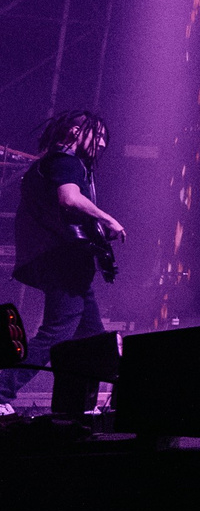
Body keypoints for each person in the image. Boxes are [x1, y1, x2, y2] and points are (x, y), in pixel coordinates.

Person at [2, 110, 126, 419]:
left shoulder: (50, 163)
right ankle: (1, 389)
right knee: (56, 333)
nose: (102, 143)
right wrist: (108, 219)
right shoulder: (66, 161)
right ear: (74, 132)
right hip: (63, 260)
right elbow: (69, 198)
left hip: (62, 260)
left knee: (92, 339)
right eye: (97, 135)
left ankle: (80, 406)